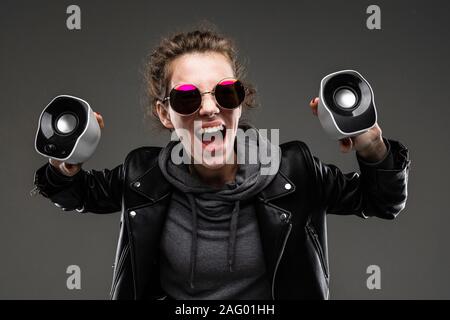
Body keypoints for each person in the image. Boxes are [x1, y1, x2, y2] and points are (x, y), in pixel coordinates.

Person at [33, 28, 411, 300]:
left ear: (240, 101)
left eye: (226, 93)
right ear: (165, 115)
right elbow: (74, 193)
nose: (210, 108)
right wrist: (68, 164)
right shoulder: (142, 175)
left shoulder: (293, 169)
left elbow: (380, 202)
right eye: (186, 98)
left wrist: (373, 146)